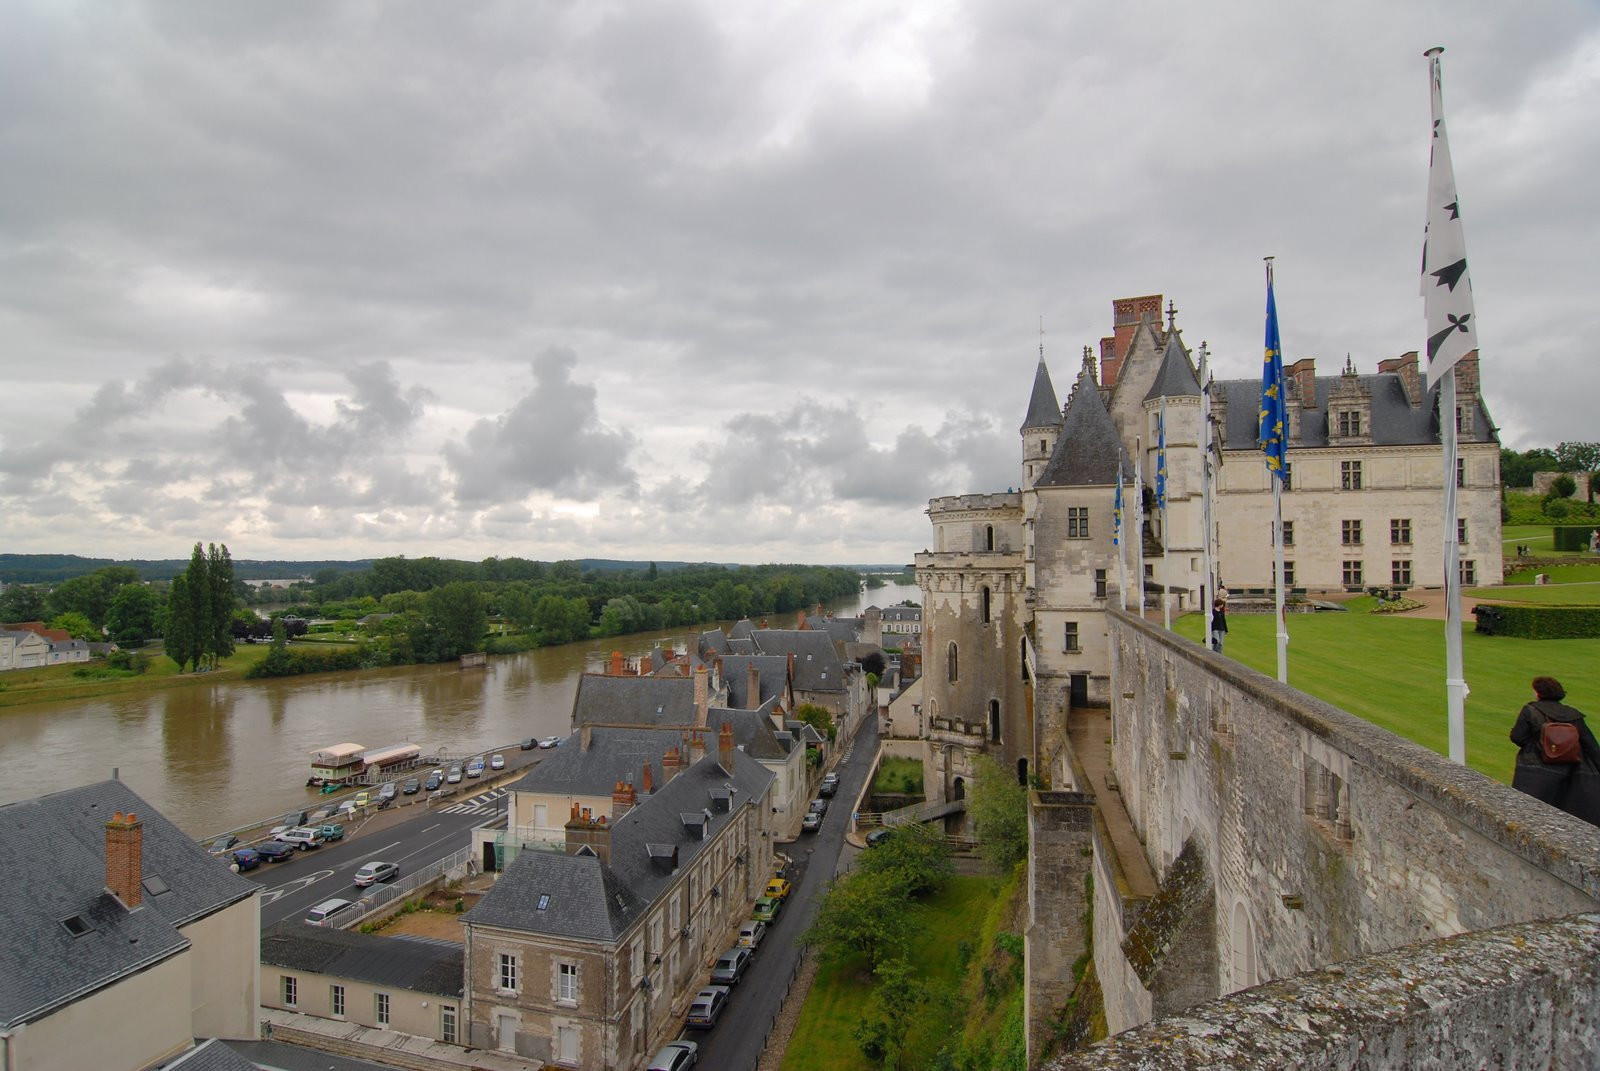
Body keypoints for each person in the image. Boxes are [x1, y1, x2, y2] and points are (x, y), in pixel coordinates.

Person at [1510, 676, 1600, 827]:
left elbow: (1518, 737)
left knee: (1527, 818)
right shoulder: (1573, 715)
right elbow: (1590, 745)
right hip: (1567, 770)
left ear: (1538, 693)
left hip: (1535, 771)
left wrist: (1536, 745)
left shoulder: (1531, 710)